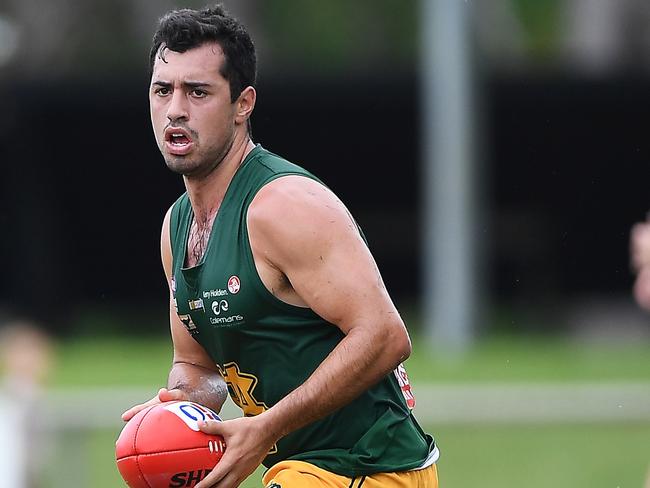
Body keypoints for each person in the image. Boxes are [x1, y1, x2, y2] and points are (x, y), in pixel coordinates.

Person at [121, 5, 439, 487]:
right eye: (163, 90)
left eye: (198, 91)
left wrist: (266, 427)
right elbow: (196, 365)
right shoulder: (176, 228)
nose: (176, 109)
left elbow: (385, 337)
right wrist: (178, 415)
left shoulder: (283, 204)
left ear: (243, 104)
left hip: (369, 467)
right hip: (298, 471)